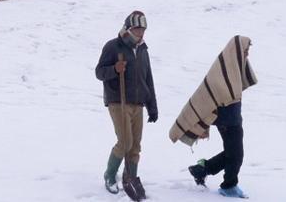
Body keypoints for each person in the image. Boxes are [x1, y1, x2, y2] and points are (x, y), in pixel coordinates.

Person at [168, 35, 257, 199]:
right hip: (226, 121)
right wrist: (204, 125)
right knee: (237, 154)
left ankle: (201, 169)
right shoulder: (224, 68)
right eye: (245, 50)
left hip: (234, 118)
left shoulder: (234, 66)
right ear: (236, 50)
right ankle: (228, 186)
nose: (247, 54)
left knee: (233, 153)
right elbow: (210, 96)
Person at [95, 11, 158, 198]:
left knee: (135, 145)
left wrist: (152, 106)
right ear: (129, 28)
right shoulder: (114, 47)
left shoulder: (143, 50)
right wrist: (115, 69)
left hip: (138, 104)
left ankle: (130, 177)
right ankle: (109, 175)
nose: (141, 33)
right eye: (137, 29)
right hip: (118, 101)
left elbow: (148, 79)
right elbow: (99, 72)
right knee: (125, 142)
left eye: (143, 29)